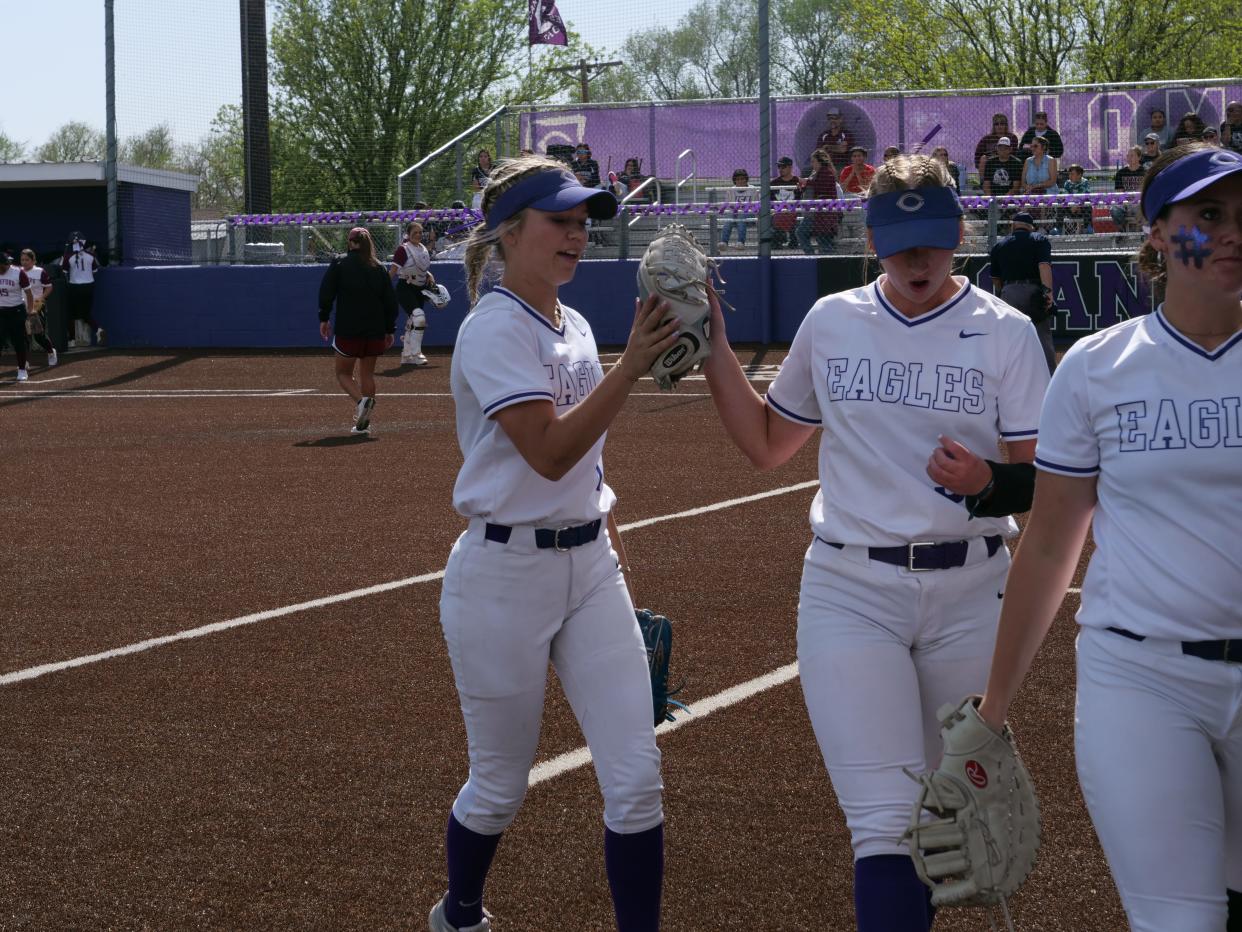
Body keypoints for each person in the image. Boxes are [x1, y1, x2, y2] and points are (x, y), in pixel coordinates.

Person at [701, 153, 1050, 932]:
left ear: (960, 231)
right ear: (870, 238)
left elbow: (1047, 483)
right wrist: (714, 343)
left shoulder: (1008, 334)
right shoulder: (833, 322)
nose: (917, 258)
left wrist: (989, 482)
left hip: (972, 596)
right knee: (887, 823)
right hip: (851, 590)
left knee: (944, 825)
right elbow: (766, 444)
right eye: (899, 241)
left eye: (931, 238)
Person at [977, 143, 1242, 932]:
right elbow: (1053, 544)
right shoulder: (1097, 368)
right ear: (1157, 233)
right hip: (1143, 680)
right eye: (1208, 216)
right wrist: (992, 711)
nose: (1232, 233)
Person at [429, 154, 679, 932]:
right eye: (559, 221)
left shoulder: (573, 323)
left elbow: (584, 463)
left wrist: (608, 523)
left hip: (590, 567)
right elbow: (548, 449)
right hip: (501, 576)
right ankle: (460, 914)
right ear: (509, 233)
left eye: (581, 223)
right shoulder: (491, 329)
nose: (576, 235)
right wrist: (631, 368)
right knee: (501, 784)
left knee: (637, 778)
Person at [317, 227, 397, 435]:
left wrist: (324, 318)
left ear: (350, 243)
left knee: (343, 373)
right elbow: (390, 302)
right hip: (375, 330)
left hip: (349, 329)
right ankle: (365, 418)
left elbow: (326, 292)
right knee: (367, 374)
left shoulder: (340, 263)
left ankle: (361, 403)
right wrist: (390, 329)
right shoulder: (379, 267)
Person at [990, 211, 1057, 373]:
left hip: (1008, 293)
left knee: (1009, 339)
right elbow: (1044, 266)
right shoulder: (1038, 240)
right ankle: (1049, 379)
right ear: (1031, 227)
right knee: (1041, 337)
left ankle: (1007, 377)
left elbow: (996, 279)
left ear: (1013, 226)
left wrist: (1004, 293)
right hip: (1032, 292)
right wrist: (1048, 293)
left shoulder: (999, 245)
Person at [389, 221, 437, 366]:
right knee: (419, 318)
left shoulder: (422, 249)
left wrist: (429, 274)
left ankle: (406, 355)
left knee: (414, 321)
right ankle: (416, 354)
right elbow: (393, 272)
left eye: (420, 232)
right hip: (405, 287)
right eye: (414, 232)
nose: (418, 235)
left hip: (419, 289)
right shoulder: (403, 249)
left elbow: (419, 266)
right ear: (408, 234)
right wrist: (381, 288)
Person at [61, 234, 103, 347]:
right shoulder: (91, 256)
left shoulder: (68, 257)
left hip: (75, 287)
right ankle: (98, 329)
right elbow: (95, 271)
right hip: (89, 286)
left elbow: (63, 272)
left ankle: (72, 340)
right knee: (85, 313)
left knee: (69, 314)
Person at [796, 148, 840, 254]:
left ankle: (814, 257)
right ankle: (819, 259)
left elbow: (821, 188)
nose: (812, 164)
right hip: (816, 212)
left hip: (822, 213)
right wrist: (803, 186)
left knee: (803, 233)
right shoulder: (817, 172)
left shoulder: (826, 172)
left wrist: (806, 182)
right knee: (822, 240)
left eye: (814, 161)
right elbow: (813, 188)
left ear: (820, 161)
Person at [0, 251, 34, 382]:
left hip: (16, 311)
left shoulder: (19, 273)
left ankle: (21, 369)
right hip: (1, 312)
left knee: (18, 341)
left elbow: (29, 294)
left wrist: (30, 311)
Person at [19, 249, 56, 366]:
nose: (24, 262)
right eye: (22, 260)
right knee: (23, 336)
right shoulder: (18, 272)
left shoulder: (40, 272)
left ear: (33, 260)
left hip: (36, 307)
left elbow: (49, 287)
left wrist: (41, 298)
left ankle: (51, 352)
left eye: (27, 260)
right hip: (21, 306)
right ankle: (24, 361)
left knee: (39, 336)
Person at [1111, 145, 1148, 232]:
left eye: (1132, 155)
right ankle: (1122, 231)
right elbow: (1119, 192)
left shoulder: (1145, 172)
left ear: (1139, 157)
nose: (1129, 158)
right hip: (1125, 202)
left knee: (1141, 209)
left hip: (1139, 202)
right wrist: (1126, 202)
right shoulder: (1121, 173)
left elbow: (1146, 191)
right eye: (1128, 155)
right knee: (1114, 210)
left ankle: (1143, 234)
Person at [770, 156, 801, 249]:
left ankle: (791, 240)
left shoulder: (797, 181)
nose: (780, 169)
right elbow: (771, 201)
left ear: (790, 167)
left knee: (791, 215)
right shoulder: (774, 183)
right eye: (779, 167)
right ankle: (778, 240)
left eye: (783, 167)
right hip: (778, 212)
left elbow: (800, 200)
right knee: (775, 216)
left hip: (793, 211)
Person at [719, 168, 756, 248]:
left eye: (742, 179)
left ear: (746, 179)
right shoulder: (731, 190)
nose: (740, 181)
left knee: (741, 215)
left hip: (749, 216)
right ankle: (724, 242)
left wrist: (745, 209)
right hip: (734, 215)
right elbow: (728, 205)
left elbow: (756, 206)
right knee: (729, 217)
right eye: (738, 179)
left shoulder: (753, 189)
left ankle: (740, 242)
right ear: (734, 180)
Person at [816, 107, 853, 173]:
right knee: (806, 171)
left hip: (841, 164)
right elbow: (819, 152)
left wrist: (828, 147)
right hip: (825, 164)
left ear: (841, 119)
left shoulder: (846, 134)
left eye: (835, 118)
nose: (832, 121)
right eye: (830, 118)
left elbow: (843, 150)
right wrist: (837, 147)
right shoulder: (824, 135)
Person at [975, 112, 1013, 177]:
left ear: (1006, 125)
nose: (999, 126)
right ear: (993, 126)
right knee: (983, 158)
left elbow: (1013, 153)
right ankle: (983, 184)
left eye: (1002, 124)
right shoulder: (986, 139)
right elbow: (978, 154)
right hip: (990, 162)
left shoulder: (1012, 137)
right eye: (996, 124)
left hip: (1006, 161)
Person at [1060, 164, 1093, 234]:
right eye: (1069, 174)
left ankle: (1087, 227)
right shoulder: (1067, 183)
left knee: (1088, 205)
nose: (1070, 176)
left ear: (1079, 175)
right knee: (1060, 205)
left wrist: (1077, 205)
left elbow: (1085, 195)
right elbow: (1065, 195)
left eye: (1072, 174)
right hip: (1070, 207)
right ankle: (1058, 228)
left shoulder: (1085, 182)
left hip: (1081, 208)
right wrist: (1072, 205)